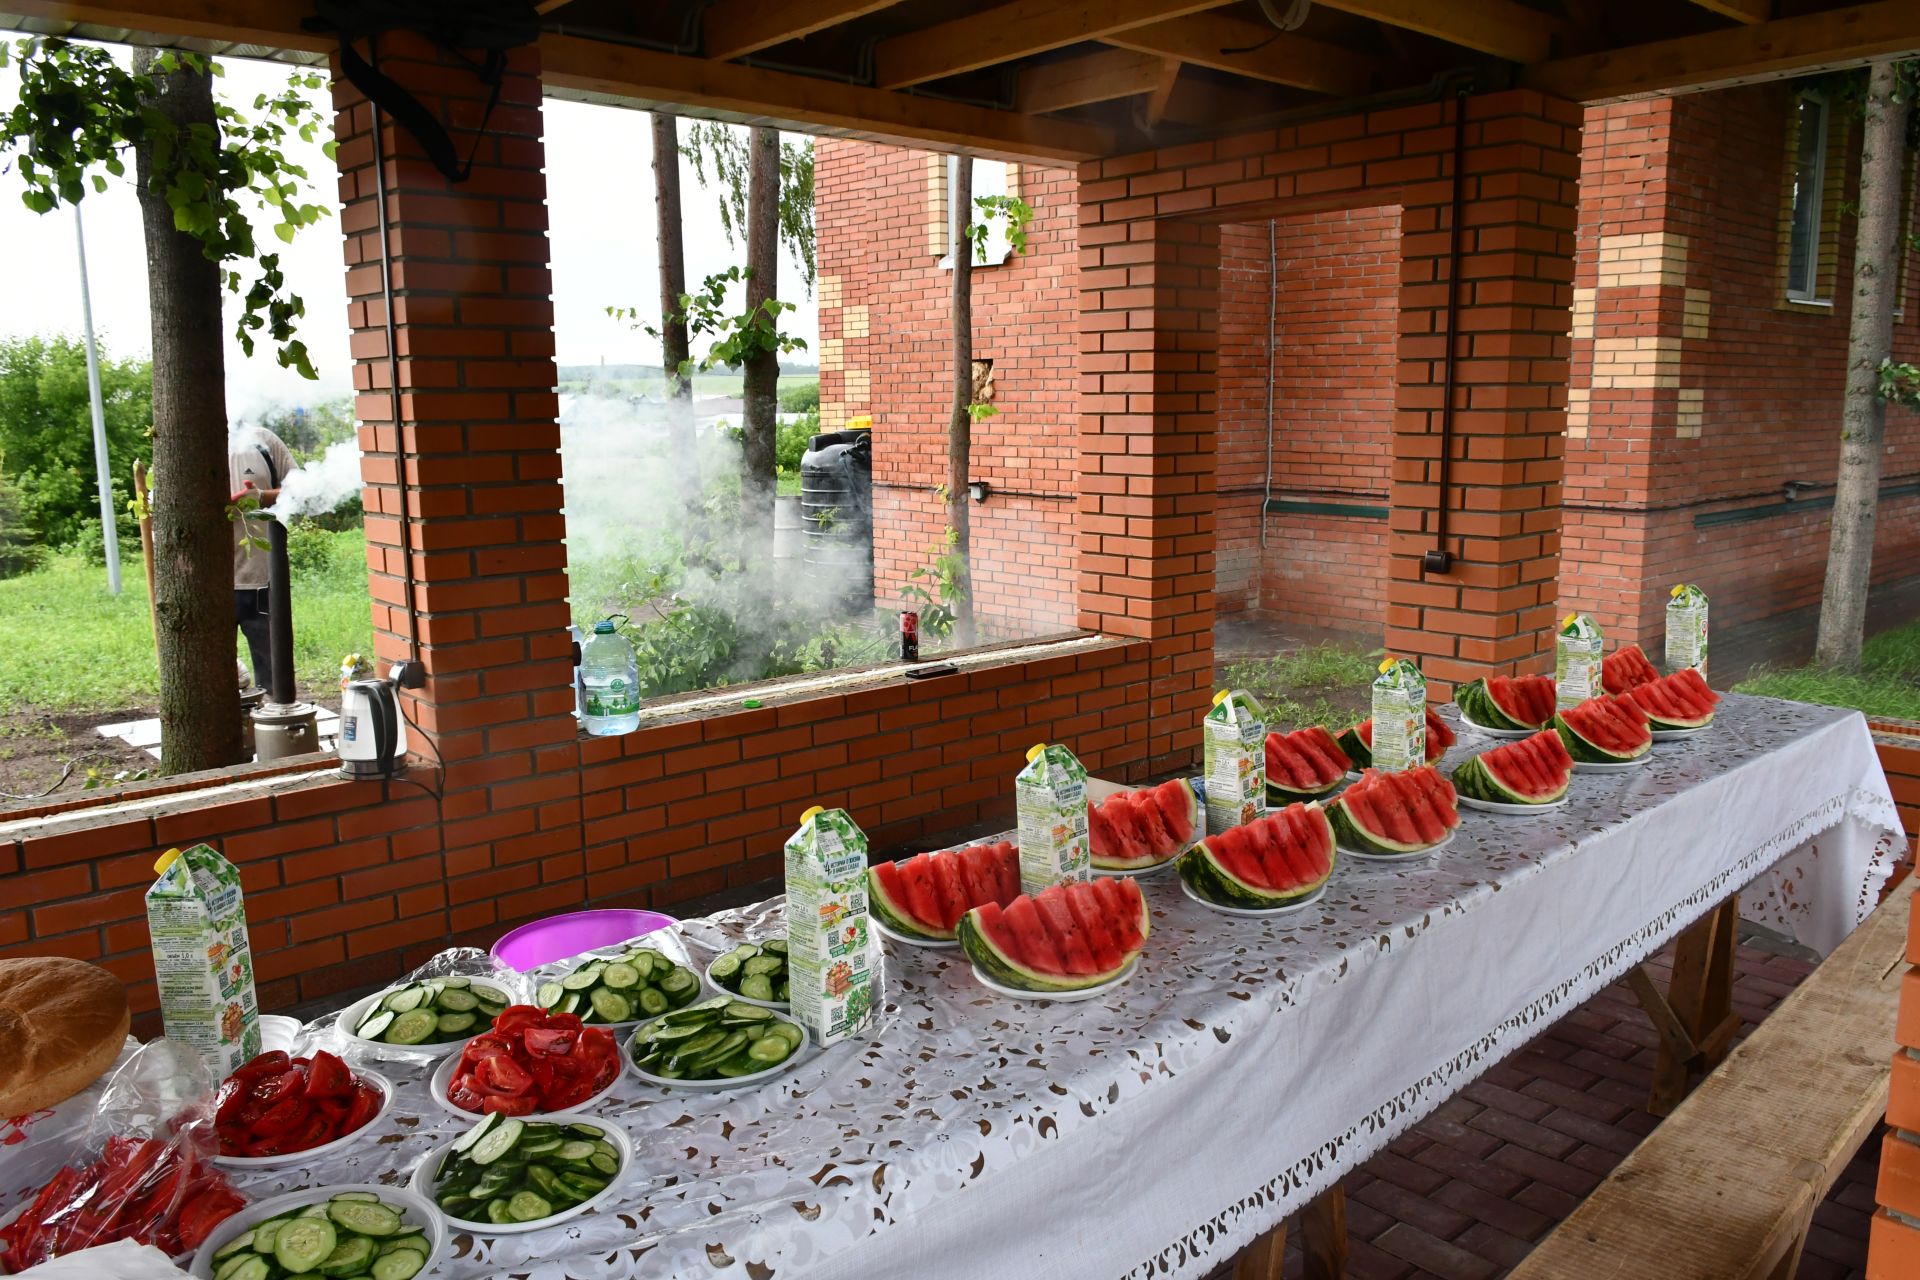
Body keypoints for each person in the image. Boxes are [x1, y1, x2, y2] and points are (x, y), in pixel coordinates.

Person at [229, 424, 296, 693]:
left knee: (276, 681)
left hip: (261, 578)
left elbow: (300, 490)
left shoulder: (263, 439)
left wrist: (261, 497)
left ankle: (280, 732)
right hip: (206, 585)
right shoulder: (186, 441)